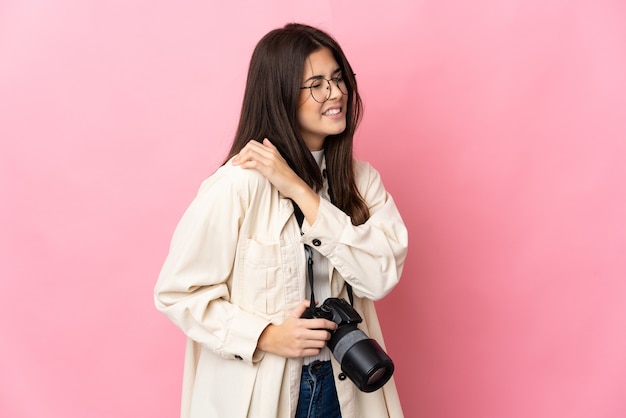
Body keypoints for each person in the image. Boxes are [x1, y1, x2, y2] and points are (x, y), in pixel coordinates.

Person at [154, 23, 408, 418]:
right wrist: (267, 336)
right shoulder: (236, 186)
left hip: (346, 386)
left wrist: (300, 191)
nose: (336, 93)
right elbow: (178, 293)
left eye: (339, 78)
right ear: (281, 95)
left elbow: (380, 277)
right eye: (317, 84)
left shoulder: (361, 181)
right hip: (262, 393)